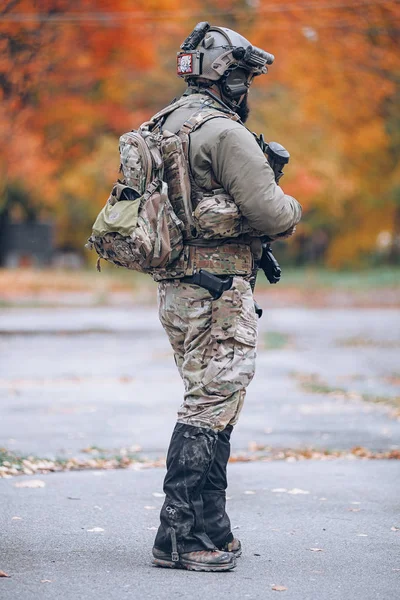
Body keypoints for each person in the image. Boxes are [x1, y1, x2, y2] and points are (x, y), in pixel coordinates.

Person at [151, 22, 302, 572]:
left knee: (214, 400)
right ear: (225, 76)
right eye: (243, 76)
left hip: (177, 289)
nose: (247, 88)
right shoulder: (226, 132)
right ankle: (181, 536)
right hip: (218, 292)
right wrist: (292, 205)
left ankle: (213, 527)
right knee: (211, 403)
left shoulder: (165, 123)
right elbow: (272, 213)